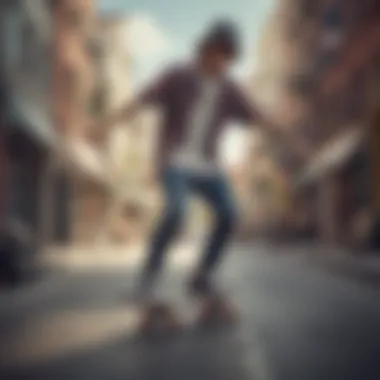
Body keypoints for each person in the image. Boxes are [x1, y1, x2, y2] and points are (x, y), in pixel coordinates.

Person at [95, 20, 307, 325]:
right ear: (204, 49)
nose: (222, 64)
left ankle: (202, 276)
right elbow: (142, 99)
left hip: (208, 167)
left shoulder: (230, 89)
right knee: (176, 213)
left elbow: (261, 117)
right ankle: (148, 279)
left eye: (228, 59)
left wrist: (294, 140)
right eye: (218, 55)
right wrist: (108, 123)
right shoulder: (176, 76)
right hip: (175, 163)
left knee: (230, 214)